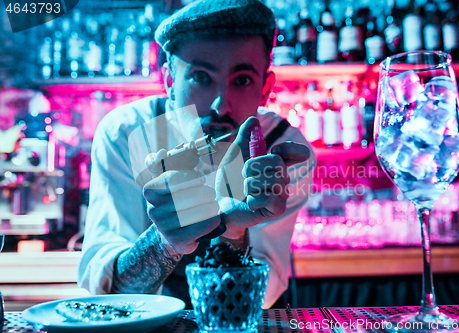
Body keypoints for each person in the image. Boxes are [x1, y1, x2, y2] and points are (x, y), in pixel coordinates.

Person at [78, 0, 316, 308]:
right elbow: (109, 292)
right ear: (168, 82)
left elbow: (261, 296)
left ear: (265, 88)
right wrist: (165, 243)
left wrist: (233, 227)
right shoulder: (128, 133)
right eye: (200, 77)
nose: (221, 105)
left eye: (242, 80)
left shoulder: (279, 148)